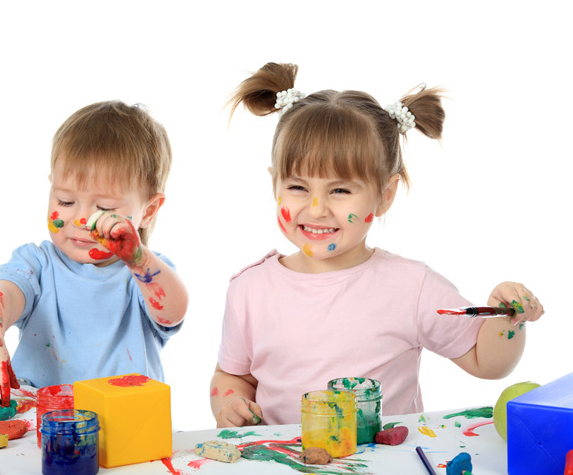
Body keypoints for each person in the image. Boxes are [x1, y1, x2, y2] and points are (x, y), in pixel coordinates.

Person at [210, 62, 544, 427]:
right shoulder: (250, 288)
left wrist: (506, 318)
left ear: (385, 195)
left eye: (340, 190)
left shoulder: (411, 287)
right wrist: (230, 405)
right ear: (275, 185)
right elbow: (233, 377)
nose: (317, 208)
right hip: (282, 461)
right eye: (298, 187)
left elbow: (487, 363)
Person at [0, 101, 188, 409]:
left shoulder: (146, 275)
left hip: (127, 427)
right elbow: (1, 296)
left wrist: (139, 259)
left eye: (104, 207)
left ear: (148, 210)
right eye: (65, 201)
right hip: (41, 427)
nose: (80, 220)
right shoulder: (36, 265)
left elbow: (172, 312)